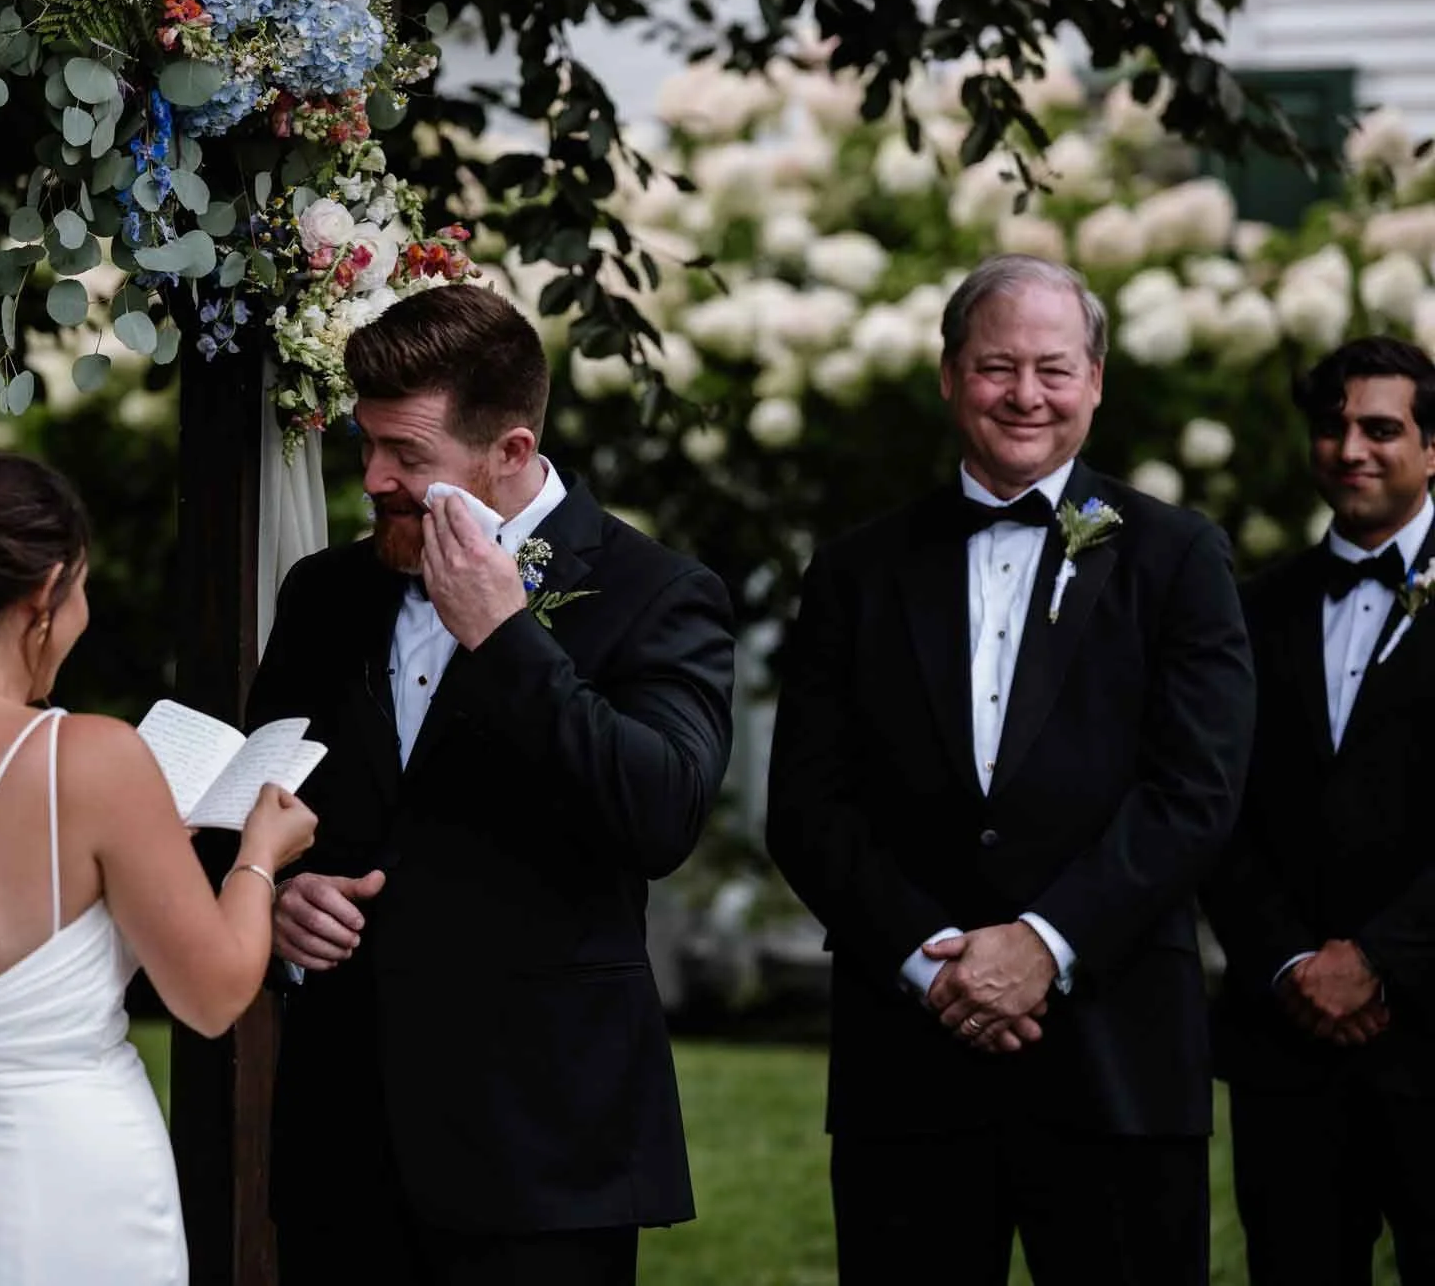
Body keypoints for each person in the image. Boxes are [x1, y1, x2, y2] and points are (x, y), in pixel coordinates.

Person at [766, 254, 1255, 1285]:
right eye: (995, 367)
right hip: (908, 1061)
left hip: (1116, 1057)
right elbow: (808, 807)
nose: (1023, 395)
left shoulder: (1177, 556)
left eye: (1051, 368)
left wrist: (1043, 942)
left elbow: (1194, 792)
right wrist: (925, 959)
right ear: (948, 376)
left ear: (1094, 381)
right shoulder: (855, 569)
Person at [249, 284, 736, 1286]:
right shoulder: (324, 595)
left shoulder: (657, 594)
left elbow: (659, 814)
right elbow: (248, 802)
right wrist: (274, 896)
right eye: (366, 443)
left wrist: (506, 640)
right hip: (340, 1136)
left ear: (509, 452)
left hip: (541, 1150)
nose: (374, 477)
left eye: (408, 457)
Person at [0, 450, 316, 1285]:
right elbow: (215, 992)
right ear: (44, 593)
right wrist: (260, 854)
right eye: (81, 589)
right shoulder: (87, 758)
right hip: (54, 1183)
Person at [1201, 335, 1435, 1285]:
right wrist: (1291, 961)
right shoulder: (1247, 609)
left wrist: (1380, 959)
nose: (1352, 450)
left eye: (1382, 429)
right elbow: (1212, 800)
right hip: (1286, 1048)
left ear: (1433, 449)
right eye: (1333, 427)